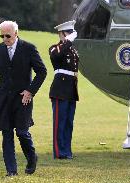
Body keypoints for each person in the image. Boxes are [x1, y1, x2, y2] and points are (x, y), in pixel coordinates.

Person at [0, 21, 47, 176]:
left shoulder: (29, 48)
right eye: (2, 36)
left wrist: (30, 91)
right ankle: (11, 171)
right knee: (6, 133)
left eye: (8, 36)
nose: (5, 39)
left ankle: (32, 158)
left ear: (16, 33)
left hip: (22, 99)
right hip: (4, 98)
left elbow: (42, 72)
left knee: (22, 132)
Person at [48, 20, 79, 159]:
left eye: (71, 33)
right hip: (60, 88)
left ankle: (67, 151)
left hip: (71, 88)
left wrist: (69, 43)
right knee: (59, 123)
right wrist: (67, 42)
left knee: (68, 123)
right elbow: (57, 56)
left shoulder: (72, 50)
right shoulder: (55, 48)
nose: (70, 36)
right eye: (67, 33)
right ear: (61, 34)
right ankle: (59, 152)